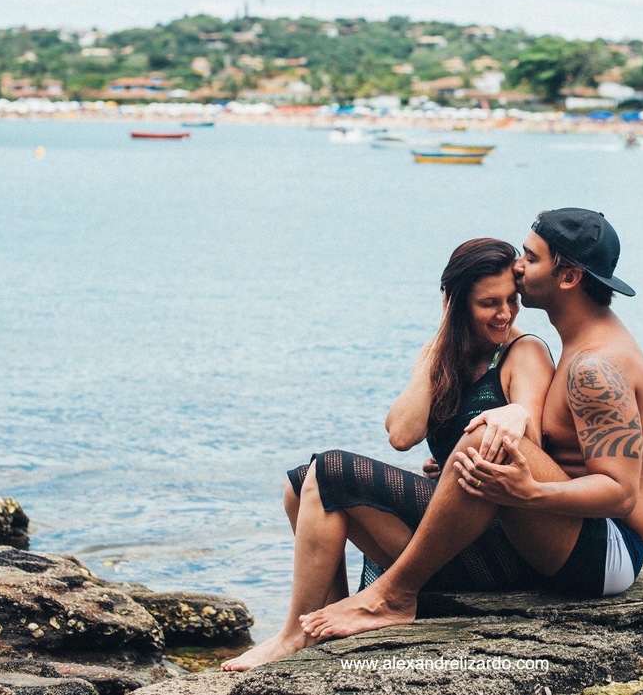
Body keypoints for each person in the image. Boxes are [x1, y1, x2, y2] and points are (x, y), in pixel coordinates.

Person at [298, 208, 643, 642]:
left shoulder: (595, 366)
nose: (517, 266)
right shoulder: (578, 343)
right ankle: (313, 628)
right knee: (317, 481)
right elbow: (403, 434)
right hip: (561, 532)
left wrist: (530, 492)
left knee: (487, 440)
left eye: (531, 257)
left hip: (609, 553)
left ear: (568, 277)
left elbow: (621, 494)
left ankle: (395, 595)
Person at [221, 237, 554, 671]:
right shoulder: (445, 356)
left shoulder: (523, 351)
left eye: (511, 300)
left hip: (497, 550)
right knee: (300, 486)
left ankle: (292, 636)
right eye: (488, 303)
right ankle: (327, 619)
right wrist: (438, 346)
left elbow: (531, 443)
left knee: (330, 471)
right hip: (451, 534)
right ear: (454, 305)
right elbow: (403, 431)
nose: (505, 313)